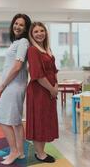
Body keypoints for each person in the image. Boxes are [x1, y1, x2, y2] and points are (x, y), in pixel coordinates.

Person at [0, 13, 31, 165]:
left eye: (21, 25)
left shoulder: (23, 42)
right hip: (15, 85)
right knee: (16, 121)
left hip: (14, 86)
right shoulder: (17, 42)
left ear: (26, 28)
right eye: (16, 23)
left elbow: (17, 66)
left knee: (2, 120)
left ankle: (14, 151)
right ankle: (21, 152)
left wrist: (3, 84)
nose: (17, 26)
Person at [26, 22, 59, 163]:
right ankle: (39, 154)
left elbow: (54, 70)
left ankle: (41, 151)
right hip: (39, 91)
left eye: (42, 30)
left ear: (46, 32)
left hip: (50, 91)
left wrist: (56, 85)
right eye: (36, 32)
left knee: (46, 120)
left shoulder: (47, 49)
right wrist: (52, 89)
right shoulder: (33, 50)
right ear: (31, 35)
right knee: (39, 120)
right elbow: (37, 74)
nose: (39, 33)